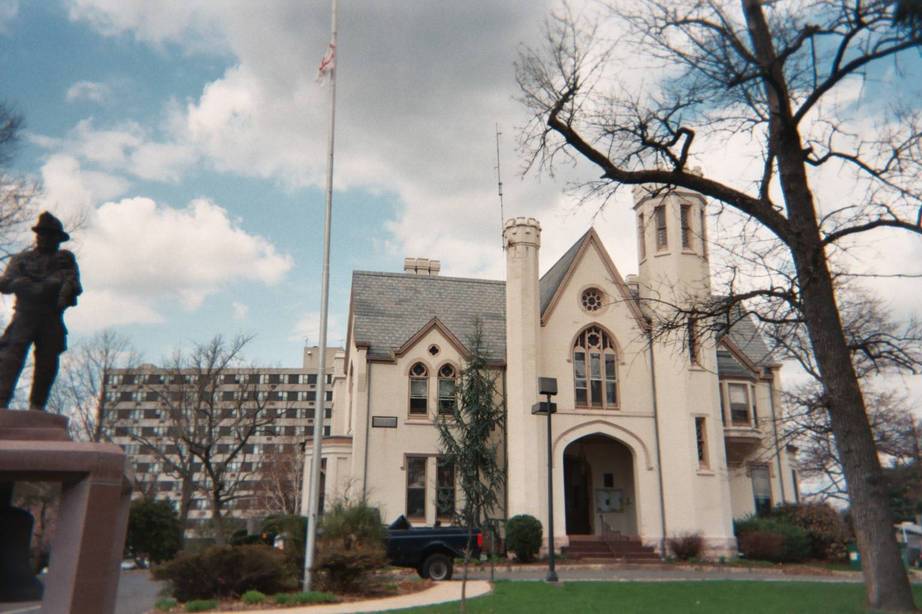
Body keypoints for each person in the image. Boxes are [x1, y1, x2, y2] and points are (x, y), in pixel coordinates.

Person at [0, 212, 81, 410]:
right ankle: (1, 401)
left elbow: (75, 287)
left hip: (50, 318)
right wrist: (22, 284)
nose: (44, 238)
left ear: (58, 238)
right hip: (24, 316)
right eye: (41, 234)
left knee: (47, 362)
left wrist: (58, 289)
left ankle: (37, 406)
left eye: (50, 235)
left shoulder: (64, 261)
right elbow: (4, 283)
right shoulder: (23, 259)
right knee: (10, 357)